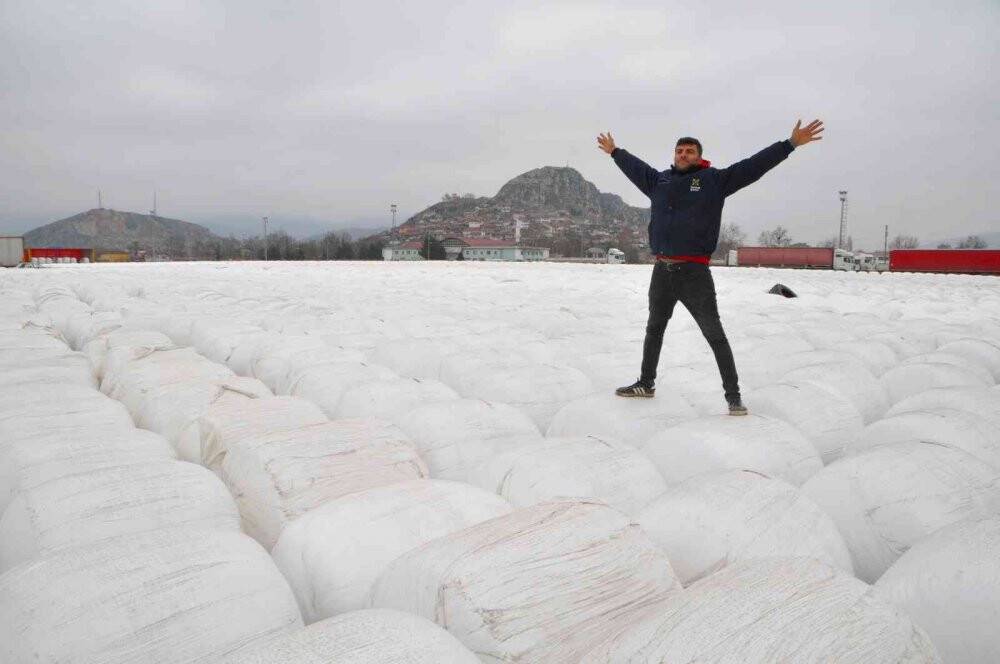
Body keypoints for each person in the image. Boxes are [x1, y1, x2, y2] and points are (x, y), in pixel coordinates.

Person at [596, 120, 824, 415]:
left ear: (699, 156)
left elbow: (753, 166)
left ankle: (733, 397)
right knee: (654, 329)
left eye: (690, 151)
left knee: (714, 334)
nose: (683, 154)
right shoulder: (659, 182)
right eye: (679, 150)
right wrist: (616, 152)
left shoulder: (713, 181)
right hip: (662, 270)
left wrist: (789, 144)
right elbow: (636, 169)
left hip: (694, 274)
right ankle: (646, 383)